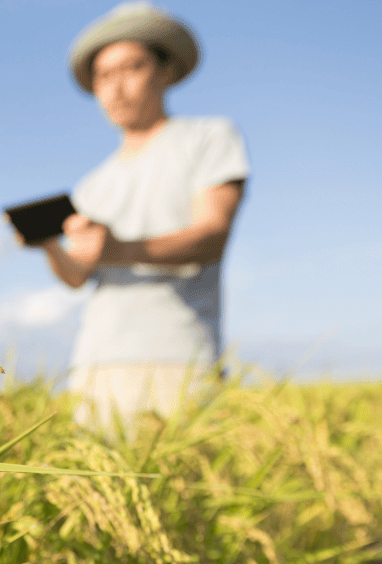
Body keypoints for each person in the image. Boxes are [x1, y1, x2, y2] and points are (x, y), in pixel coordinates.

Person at [22, 2, 250, 440]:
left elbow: (212, 235)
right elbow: (79, 275)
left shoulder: (208, 137)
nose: (116, 88)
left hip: (177, 356)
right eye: (103, 77)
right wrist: (50, 247)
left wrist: (120, 250)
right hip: (94, 361)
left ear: (166, 71)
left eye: (132, 68)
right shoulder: (92, 185)